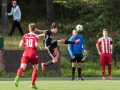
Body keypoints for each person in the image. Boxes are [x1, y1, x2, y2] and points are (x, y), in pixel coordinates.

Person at [14, 23, 40, 89]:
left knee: (22, 67)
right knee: (35, 68)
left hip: (26, 53)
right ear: (35, 29)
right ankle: (32, 84)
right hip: (33, 53)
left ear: (29, 29)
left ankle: (17, 76)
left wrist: (26, 46)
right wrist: (40, 47)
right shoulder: (36, 36)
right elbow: (36, 45)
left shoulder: (25, 35)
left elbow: (20, 45)